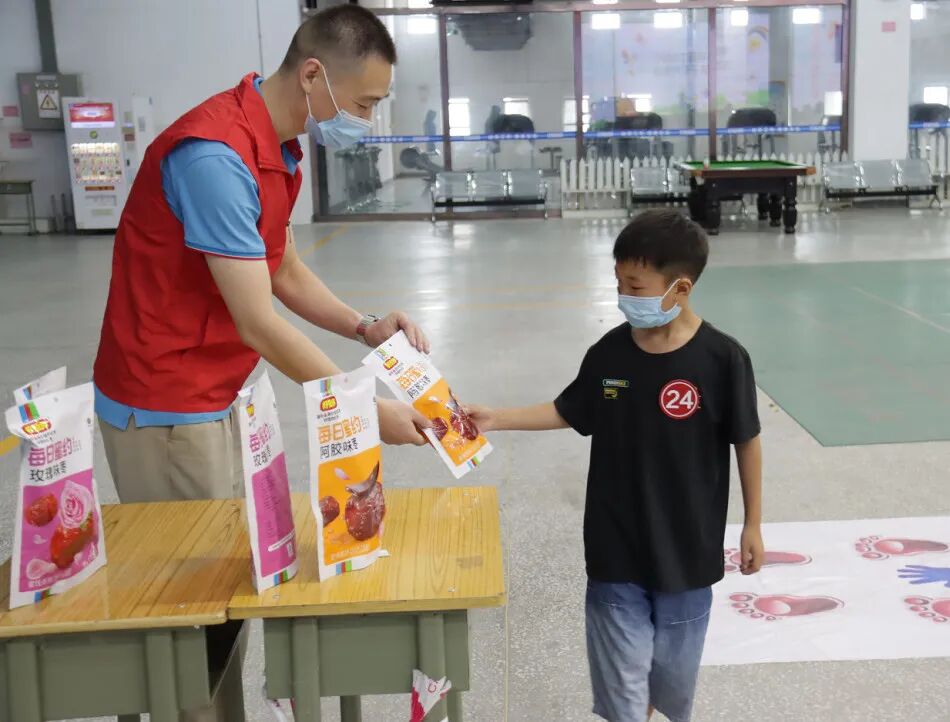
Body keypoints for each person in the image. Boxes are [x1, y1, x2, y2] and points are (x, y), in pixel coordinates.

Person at [91, 7, 424, 720]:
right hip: (169, 405)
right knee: (193, 614)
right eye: (364, 103)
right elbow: (258, 320)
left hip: (221, 391)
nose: (367, 121)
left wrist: (364, 327)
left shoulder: (276, 146)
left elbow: (283, 269)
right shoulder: (214, 157)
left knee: (228, 591)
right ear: (313, 75)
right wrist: (364, 409)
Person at [466, 209, 765, 722]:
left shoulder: (723, 360)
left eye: (635, 286)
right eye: (619, 282)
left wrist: (753, 523)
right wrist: (497, 418)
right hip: (615, 548)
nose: (623, 295)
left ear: (681, 289)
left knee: (670, 684)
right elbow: (570, 410)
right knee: (623, 693)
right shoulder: (609, 354)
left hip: (688, 552)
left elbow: (747, 441)